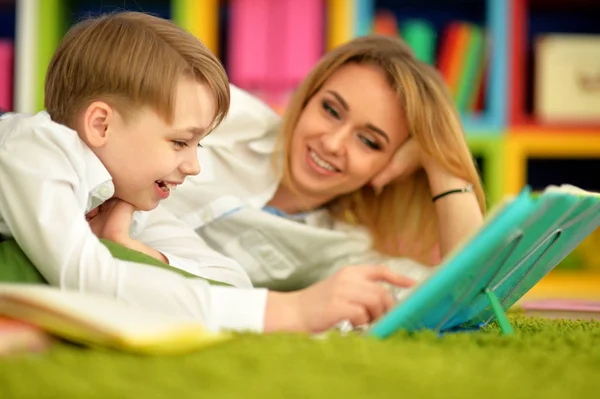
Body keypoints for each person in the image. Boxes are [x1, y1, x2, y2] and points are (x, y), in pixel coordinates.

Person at [0, 12, 413, 334]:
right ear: (102, 126)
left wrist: (128, 245)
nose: (194, 166)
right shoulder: (35, 152)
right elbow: (88, 279)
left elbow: (230, 283)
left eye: (198, 145)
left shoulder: (126, 198)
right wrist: (291, 310)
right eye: (181, 142)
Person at [161, 34, 486, 293]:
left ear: (390, 165)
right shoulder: (225, 114)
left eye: (369, 141)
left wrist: (439, 161)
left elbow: (466, 289)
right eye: (331, 110)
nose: (332, 143)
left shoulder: (344, 249)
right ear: (306, 99)